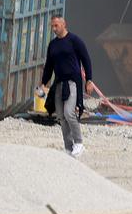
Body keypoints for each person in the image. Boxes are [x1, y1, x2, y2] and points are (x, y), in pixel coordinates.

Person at [36, 15, 100, 158]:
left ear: (64, 24)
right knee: (61, 116)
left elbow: (86, 59)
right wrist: (43, 83)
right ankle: (68, 147)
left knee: (69, 113)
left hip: (72, 82)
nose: (54, 29)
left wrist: (89, 80)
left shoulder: (74, 41)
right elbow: (49, 66)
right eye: (52, 26)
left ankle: (79, 143)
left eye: (56, 26)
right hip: (58, 83)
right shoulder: (52, 45)